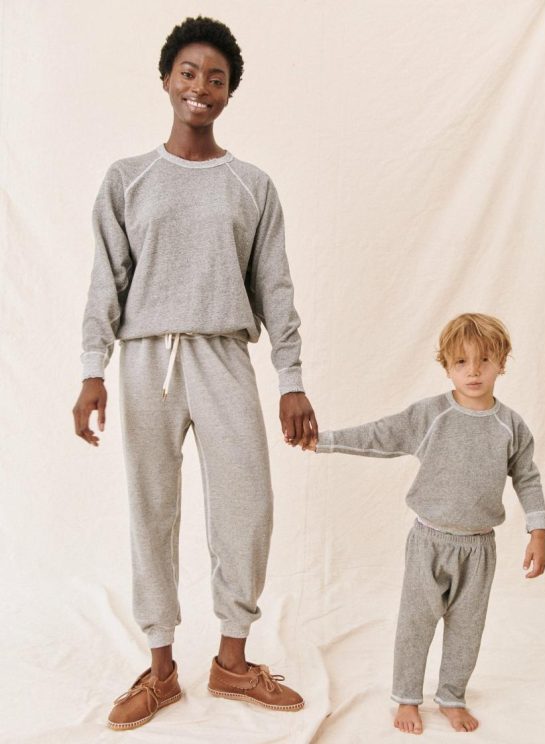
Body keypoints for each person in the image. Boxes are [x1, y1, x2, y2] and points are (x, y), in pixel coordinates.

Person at [72, 15, 317, 730]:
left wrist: (292, 378)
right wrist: (92, 370)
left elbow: (275, 288)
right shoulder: (128, 179)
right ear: (166, 79)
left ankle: (233, 663)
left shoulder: (251, 186)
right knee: (152, 508)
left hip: (223, 356)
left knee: (247, 505)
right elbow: (106, 281)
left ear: (230, 92)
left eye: (216, 77)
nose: (200, 87)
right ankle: (160, 670)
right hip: (147, 359)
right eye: (189, 72)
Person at [295, 313, 545, 734]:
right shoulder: (432, 415)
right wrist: (324, 441)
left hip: (479, 548)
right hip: (428, 542)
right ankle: (407, 698)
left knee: (467, 629)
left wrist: (537, 532)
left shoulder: (511, 425)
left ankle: (452, 697)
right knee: (415, 624)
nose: (473, 372)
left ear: (501, 363)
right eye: (461, 362)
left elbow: (527, 477)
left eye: (484, 361)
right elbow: (381, 435)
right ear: (446, 366)